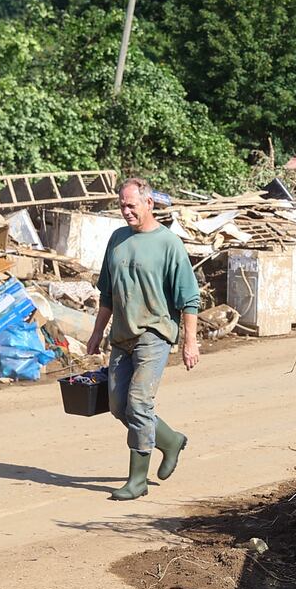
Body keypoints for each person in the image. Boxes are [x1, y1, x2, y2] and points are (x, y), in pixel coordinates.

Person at [86, 178, 200, 501]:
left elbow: (189, 298)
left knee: (138, 402)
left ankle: (137, 480)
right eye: (122, 205)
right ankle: (170, 441)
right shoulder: (117, 240)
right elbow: (107, 294)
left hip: (155, 334)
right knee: (118, 405)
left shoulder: (169, 244)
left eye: (131, 205)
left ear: (149, 203)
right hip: (122, 335)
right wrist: (97, 332)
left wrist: (190, 341)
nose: (125, 211)